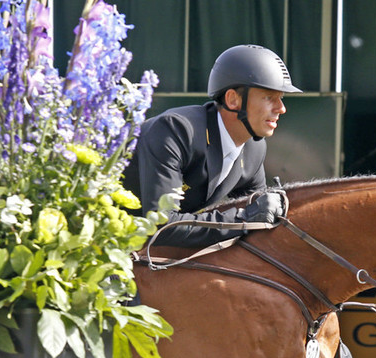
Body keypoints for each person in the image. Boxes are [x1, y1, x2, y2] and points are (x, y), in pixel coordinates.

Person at [124, 44, 302, 247]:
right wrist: (243, 219)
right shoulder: (175, 131)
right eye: (269, 97)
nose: (282, 108)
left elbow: (258, 216)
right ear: (233, 99)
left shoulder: (254, 149)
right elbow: (162, 225)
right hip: (99, 243)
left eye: (281, 98)